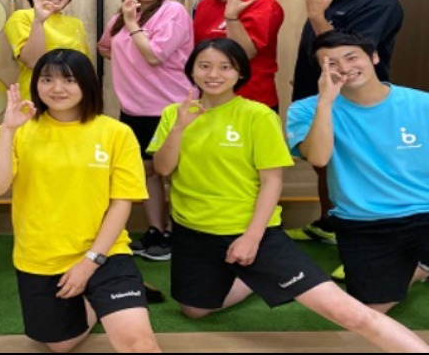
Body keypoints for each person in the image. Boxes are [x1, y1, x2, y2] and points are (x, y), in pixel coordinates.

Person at [146, 37, 428, 353]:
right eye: (205, 66)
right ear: (191, 71)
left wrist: (252, 237)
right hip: (193, 231)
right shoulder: (174, 114)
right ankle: (252, 279)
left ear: (240, 73)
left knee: (347, 312)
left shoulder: (257, 115)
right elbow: (164, 169)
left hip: (252, 229)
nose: (214, 74)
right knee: (194, 310)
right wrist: (180, 128)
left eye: (225, 67)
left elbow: (272, 181)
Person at [0, 49, 160, 353]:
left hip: (104, 253)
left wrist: (90, 262)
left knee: (138, 344)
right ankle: (98, 304)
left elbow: (121, 203)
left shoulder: (116, 133)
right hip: (40, 258)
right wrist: (9, 130)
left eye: (69, 80)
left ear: (87, 83)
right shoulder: (16, 131)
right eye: (47, 79)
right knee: (60, 345)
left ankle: (113, 297)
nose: (57, 88)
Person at [287, 29, 429, 313]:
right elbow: (318, 158)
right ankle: (419, 267)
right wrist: (326, 102)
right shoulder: (305, 110)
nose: (344, 68)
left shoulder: (421, 103)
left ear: (374, 57)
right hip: (363, 220)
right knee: (371, 310)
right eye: (331, 64)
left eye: (351, 57)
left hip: (425, 211)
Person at [288, 0, 404, 245]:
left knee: (354, 166)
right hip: (318, 95)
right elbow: (317, 50)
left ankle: (364, 238)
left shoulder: (381, 2)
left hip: (355, 101)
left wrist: (316, 14)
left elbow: (351, 54)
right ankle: (331, 223)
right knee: (324, 164)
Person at [98, 0, 193, 261]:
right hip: (133, 109)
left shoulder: (173, 11)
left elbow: (154, 55)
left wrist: (131, 25)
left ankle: (181, 233)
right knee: (147, 172)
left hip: (171, 108)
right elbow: (104, 47)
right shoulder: (121, 16)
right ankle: (156, 230)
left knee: (176, 173)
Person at [193, 0, 284, 111]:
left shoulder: (263, 4)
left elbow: (245, 53)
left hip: (253, 101)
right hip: (210, 99)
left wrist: (231, 16)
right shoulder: (205, 5)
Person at [5, 0, 90, 100]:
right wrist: (39, 21)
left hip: (72, 99)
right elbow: (34, 62)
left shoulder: (76, 23)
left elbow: (85, 68)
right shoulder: (22, 17)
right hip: (36, 98)